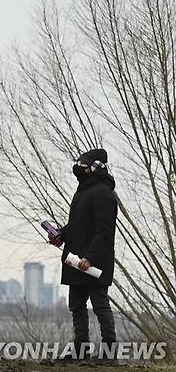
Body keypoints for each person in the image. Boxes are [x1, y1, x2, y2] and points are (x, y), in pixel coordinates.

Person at [57, 149, 117, 360]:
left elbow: (105, 231)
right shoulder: (81, 192)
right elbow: (76, 225)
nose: (78, 166)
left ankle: (110, 354)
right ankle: (81, 351)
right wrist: (60, 235)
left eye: (83, 163)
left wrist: (90, 257)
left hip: (93, 261)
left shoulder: (103, 193)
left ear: (95, 167)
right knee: (77, 305)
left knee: (100, 305)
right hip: (76, 259)